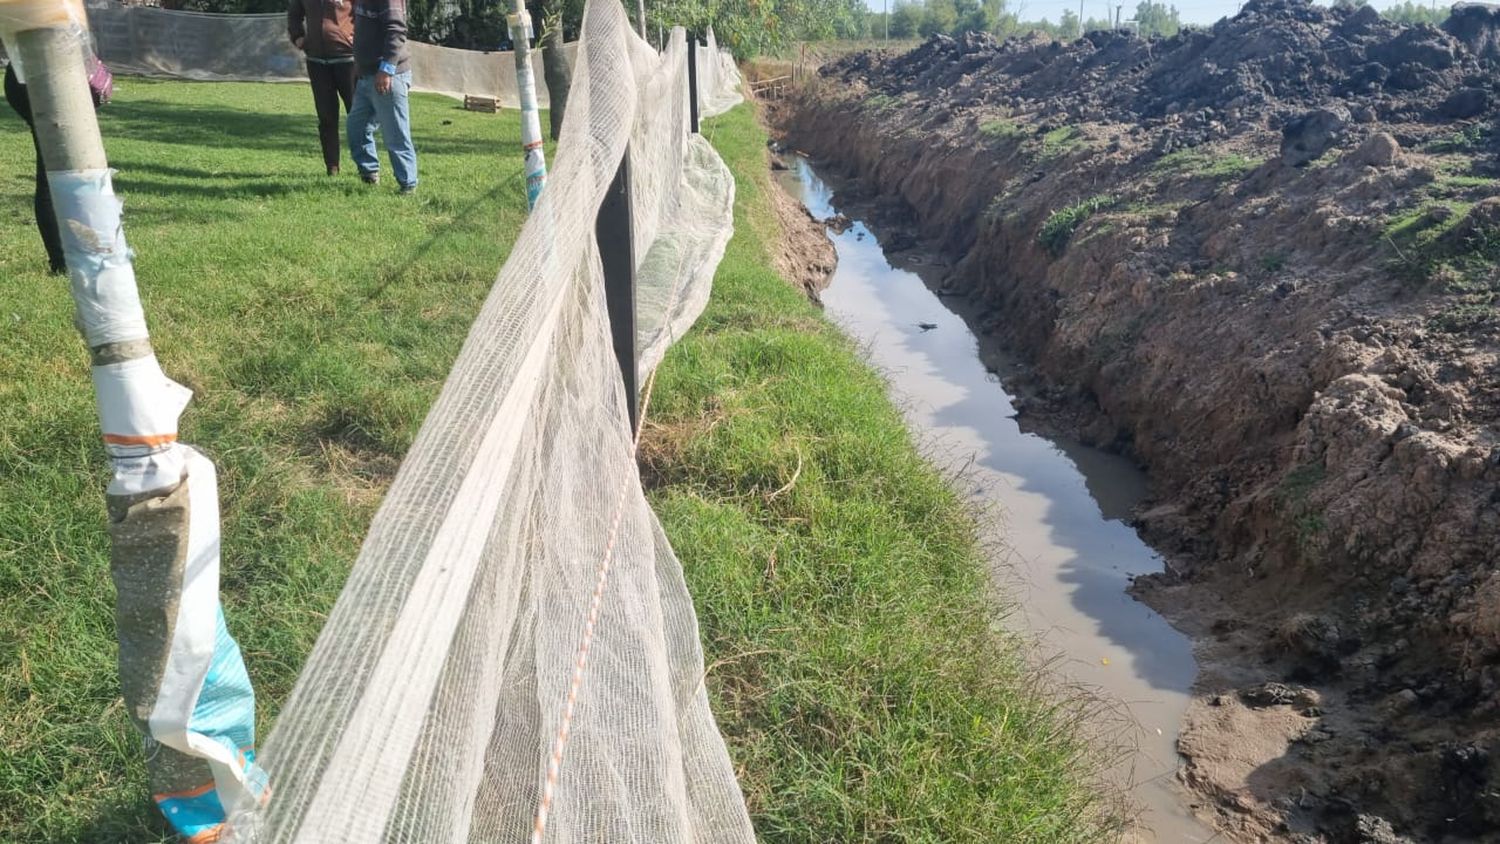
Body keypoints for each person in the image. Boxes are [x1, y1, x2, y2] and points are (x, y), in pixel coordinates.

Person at [3, 55, 108, 274]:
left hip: (39, 75)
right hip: (41, 78)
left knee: (69, 168)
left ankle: (81, 252)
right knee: (53, 173)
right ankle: (63, 261)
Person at [348, 0, 417, 193]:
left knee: (395, 134)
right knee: (356, 127)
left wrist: (386, 69)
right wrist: (359, 65)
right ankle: (369, 173)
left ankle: (408, 185)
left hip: (388, 75)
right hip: (366, 75)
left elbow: (396, 30)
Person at [288, 0, 357, 176]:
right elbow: (294, 13)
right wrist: (297, 36)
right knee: (326, 118)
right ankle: (332, 167)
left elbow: (364, 13)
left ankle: (367, 168)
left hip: (348, 60)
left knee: (357, 117)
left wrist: (357, 40)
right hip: (317, 62)